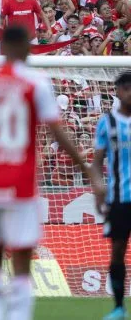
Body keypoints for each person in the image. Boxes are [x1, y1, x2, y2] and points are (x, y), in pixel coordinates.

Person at [0, 25, 104, 320]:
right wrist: (89, 172)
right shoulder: (34, 82)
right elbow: (57, 133)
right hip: (19, 183)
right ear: (23, 46)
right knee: (22, 257)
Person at [92, 72, 131, 320]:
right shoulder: (106, 122)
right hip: (119, 199)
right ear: (117, 91)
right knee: (117, 250)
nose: (130, 92)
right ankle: (118, 307)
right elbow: (96, 163)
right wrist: (98, 189)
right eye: (125, 88)